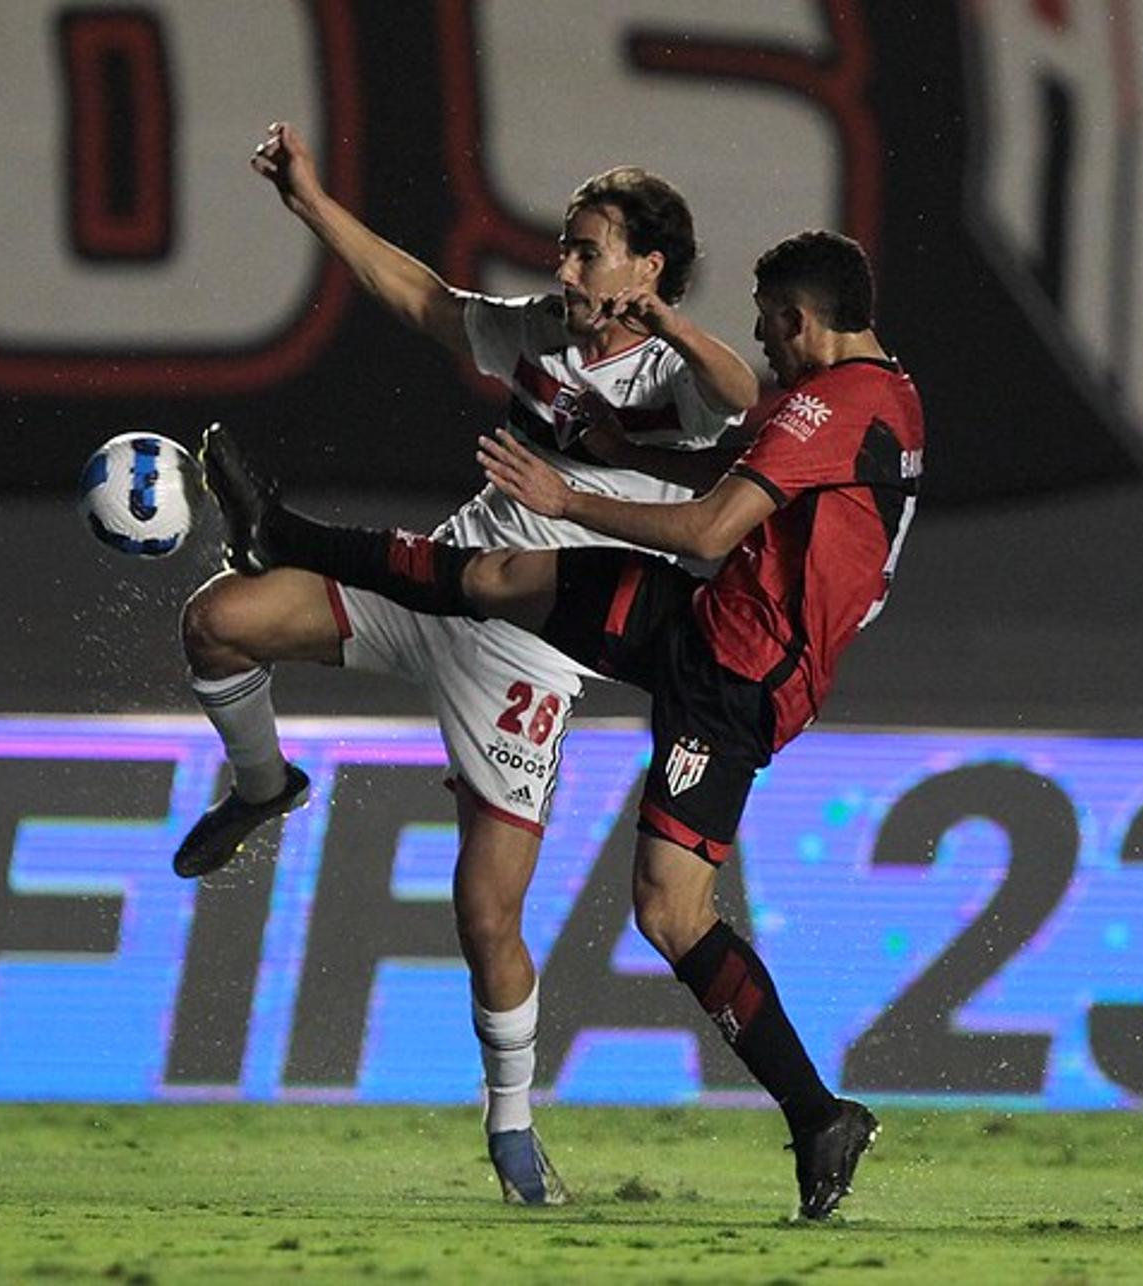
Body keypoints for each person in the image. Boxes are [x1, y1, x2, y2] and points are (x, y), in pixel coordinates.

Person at [200, 228, 921, 1221]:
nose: (763, 347)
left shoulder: (836, 403)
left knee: (671, 911)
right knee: (497, 576)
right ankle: (279, 532)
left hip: (738, 677)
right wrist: (620, 451)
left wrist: (569, 493)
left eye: (769, 329)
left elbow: (713, 525)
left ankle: (816, 1112)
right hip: (707, 623)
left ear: (802, 321)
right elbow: (742, 458)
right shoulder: (885, 394)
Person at [175, 122, 758, 1204]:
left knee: (485, 916)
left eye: (589, 249)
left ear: (647, 266)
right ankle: (265, 784)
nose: (566, 265)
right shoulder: (541, 329)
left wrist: (669, 320)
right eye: (568, 245)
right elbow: (425, 299)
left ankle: (514, 1130)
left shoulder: (674, 370)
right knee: (218, 620)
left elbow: (742, 397)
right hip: (437, 574)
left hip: (532, 649)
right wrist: (309, 200)